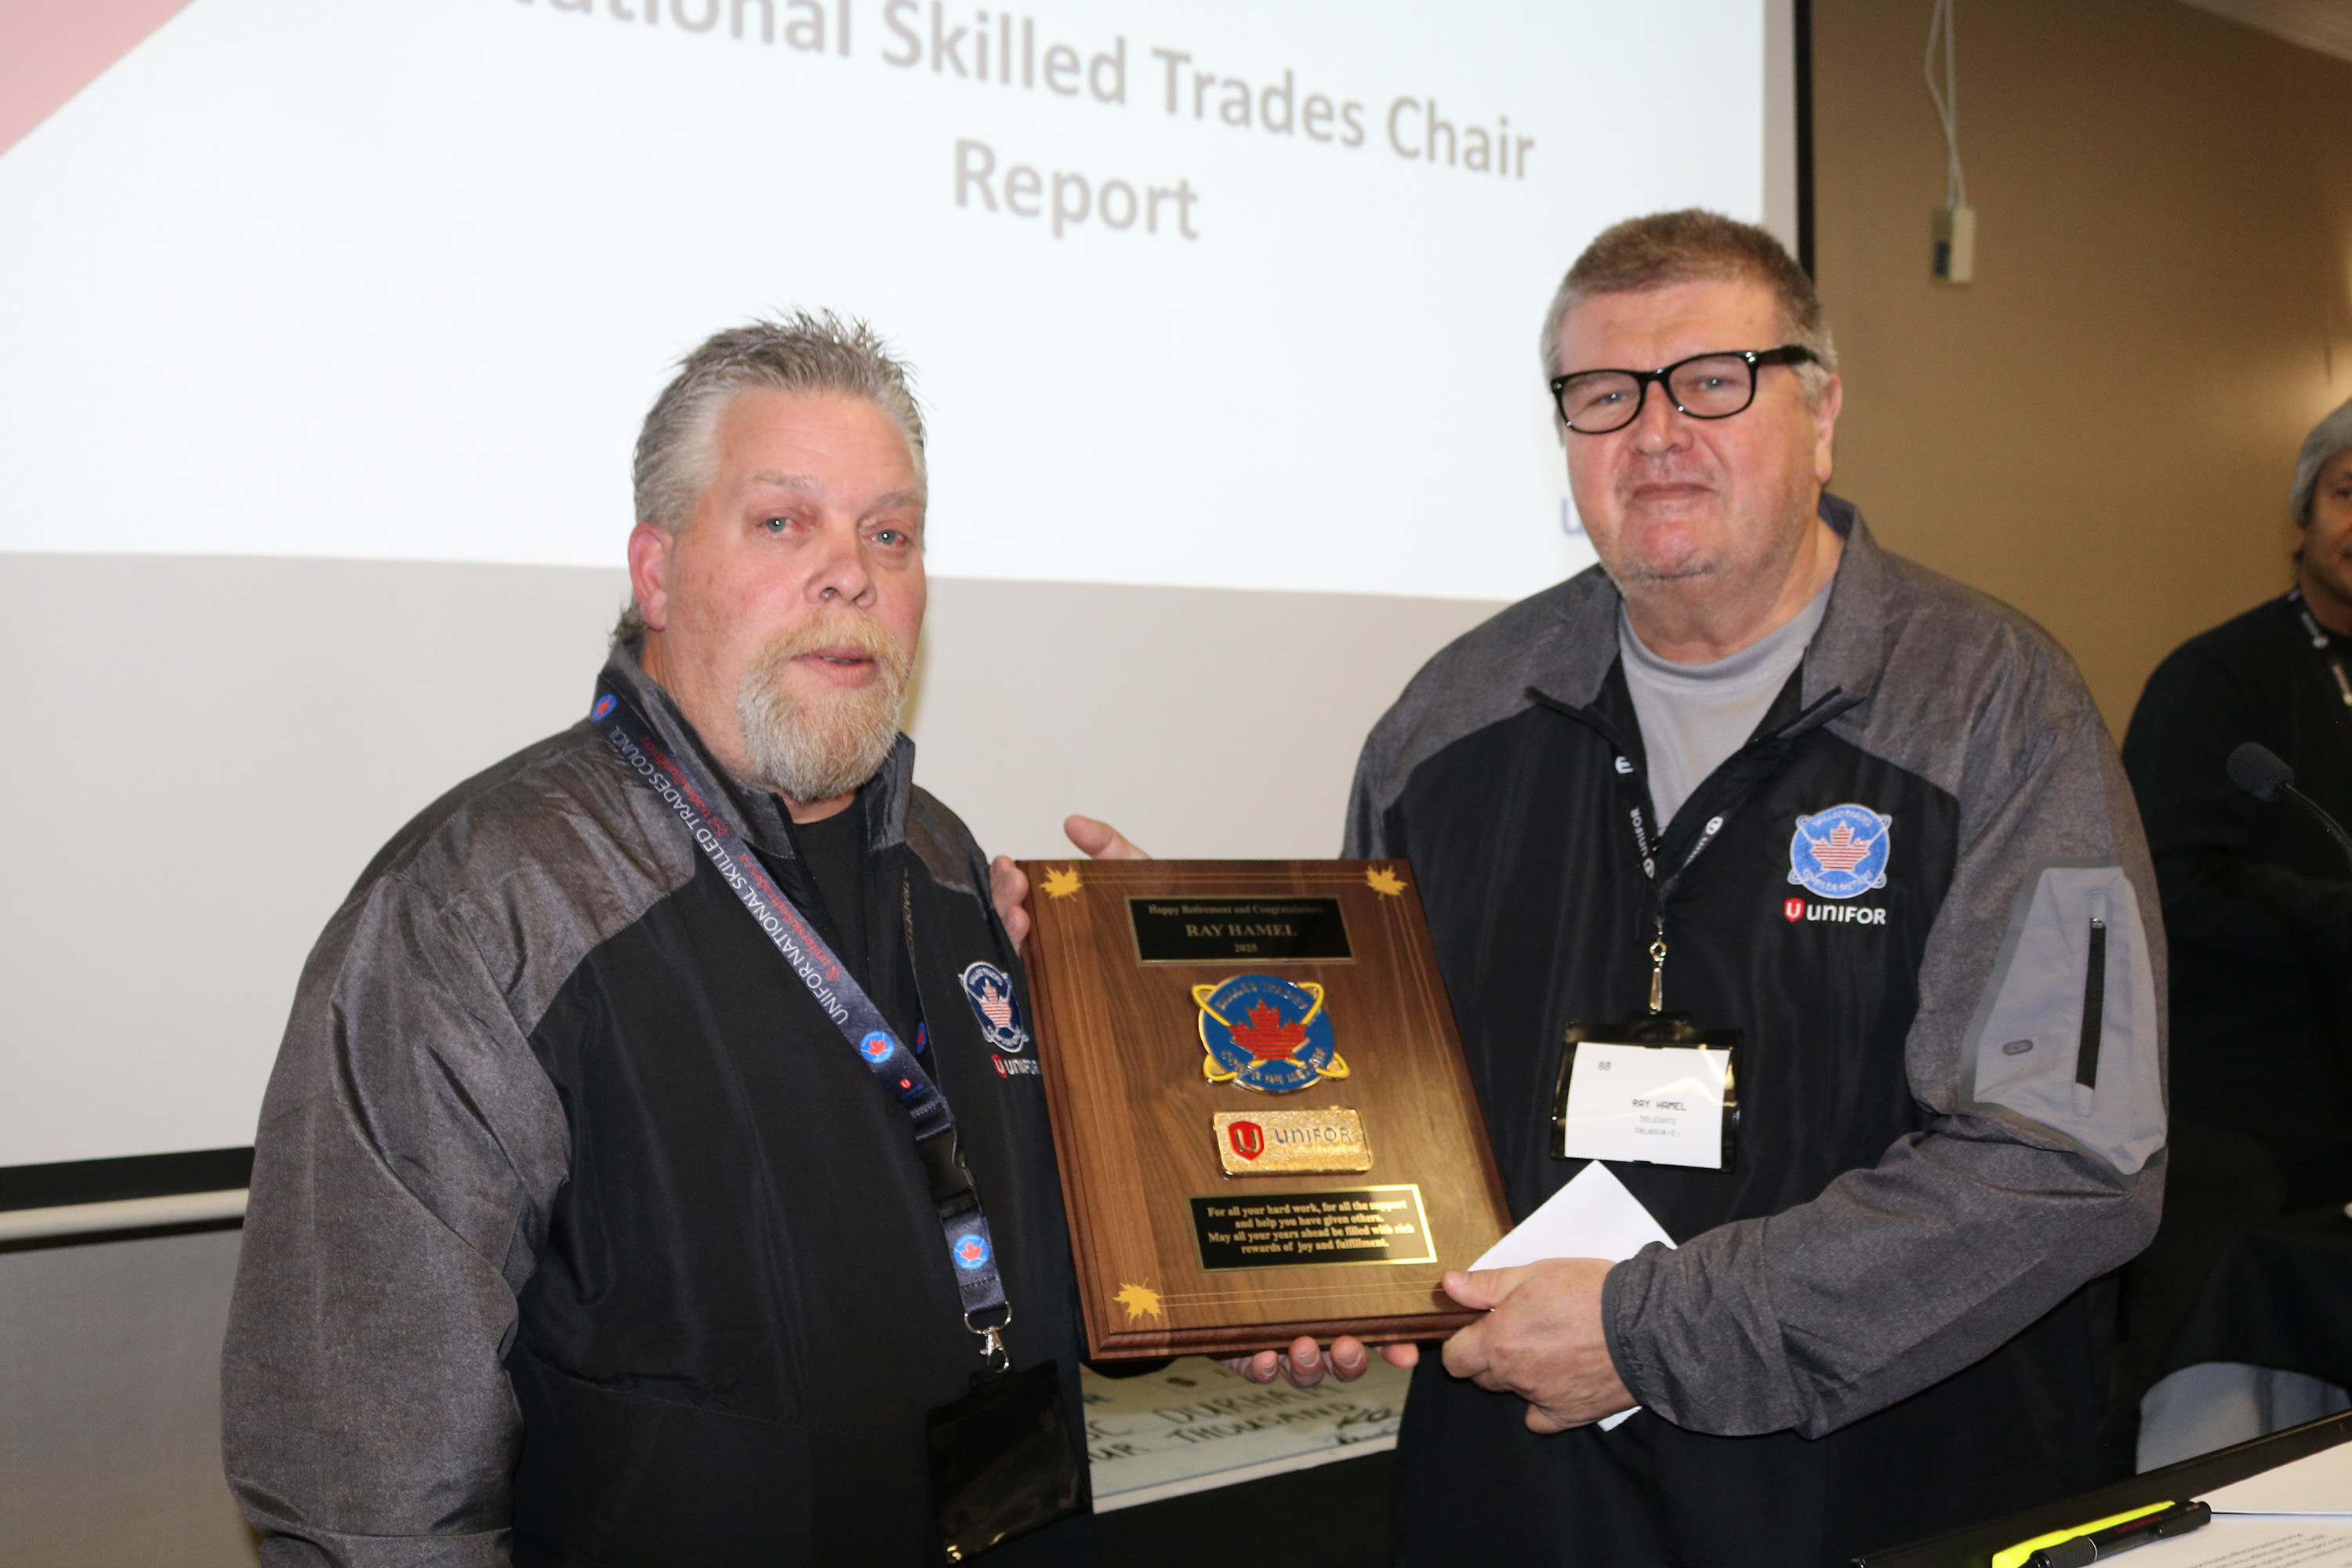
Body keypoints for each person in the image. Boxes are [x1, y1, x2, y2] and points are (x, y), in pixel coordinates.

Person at [1000, 211, 2169, 1565]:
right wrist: (1181, 983)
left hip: (1878, 1491)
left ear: (1825, 411)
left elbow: (2068, 1164)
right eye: (1603, 395)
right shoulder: (1450, 720)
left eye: (1713, 380)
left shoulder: (1994, 714)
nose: (1656, 432)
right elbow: (1385, 1102)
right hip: (1519, 1490)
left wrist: (1646, 1331)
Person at [223, 314, 1098, 1565]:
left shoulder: (958, 871)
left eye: (889, 534)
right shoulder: (480, 911)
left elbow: (1029, 1249)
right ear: (657, 571)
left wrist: (1142, 1053)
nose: (852, 572)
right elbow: (369, 1483)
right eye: (784, 523)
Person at [2118, 397, 2352, 1459]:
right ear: (2300, 517)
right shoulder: (2217, 681)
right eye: (2349, 493)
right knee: (2209, 1447)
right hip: (2234, 1129)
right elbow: (2166, 879)